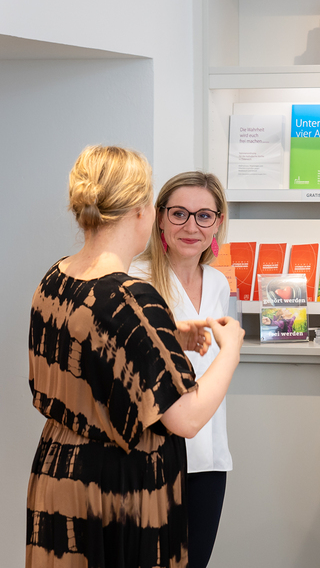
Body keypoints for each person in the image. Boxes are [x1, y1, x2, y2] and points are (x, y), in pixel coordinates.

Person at [26, 146, 243, 567]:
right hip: (115, 486)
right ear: (145, 212)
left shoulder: (57, 277)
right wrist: (231, 350)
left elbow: (88, 350)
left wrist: (164, 336)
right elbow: (186, 420)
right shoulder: (132, 296)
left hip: (58, 471)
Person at [131, 171, 233, 568]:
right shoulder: (135, 279)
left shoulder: (218, 283)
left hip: (209, 456)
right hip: (152, 456)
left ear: (218, 223)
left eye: (204, 216)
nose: (191, 227)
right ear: (159, 217)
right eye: (179, 214)